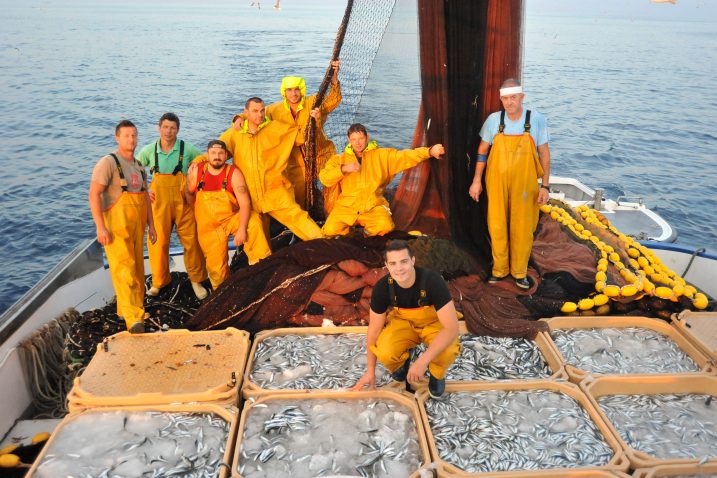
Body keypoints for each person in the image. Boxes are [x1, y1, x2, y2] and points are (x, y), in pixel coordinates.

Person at [468, 79, 551, 290]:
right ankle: (499, 270)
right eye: (505, 98)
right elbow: (482, 151)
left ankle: (519, 272)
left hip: (525, 185)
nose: (509, 102)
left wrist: (545, 186)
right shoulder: (494, 120)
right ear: (501, 99)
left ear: (522, 97)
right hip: (496, 181)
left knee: (522, 227)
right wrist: (477, 181)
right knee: (497, 224)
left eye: (513, 97)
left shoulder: (536, 120)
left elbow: (544, 153)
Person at [351, 240, 460, 398]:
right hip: (404, 323)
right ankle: (402, 364)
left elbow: (452, 328)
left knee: (448, 349)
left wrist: (422, 362)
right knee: (385, 350)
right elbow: (374, 329)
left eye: (404, 262)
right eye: (393, 263)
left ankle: (437, 374)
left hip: (433, 323)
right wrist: (370, 371)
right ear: (387, 266)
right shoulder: (382, 287)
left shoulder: (432, 281)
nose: (399, 268)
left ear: (413, 261)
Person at [234, 61, 342, 210]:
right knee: (298, 198)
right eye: (289, 90)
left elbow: (333, 100)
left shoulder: (313, 101)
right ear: (284, 92)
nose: (293, 94)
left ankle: (332, 219)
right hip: (295, 162)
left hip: (321, 154)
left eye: (297, 89)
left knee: (331, 185)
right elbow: (256, 113)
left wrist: (334, 80)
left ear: (302, 90)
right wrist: (239, 118)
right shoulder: (274, 110)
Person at [220, 97, 323, 249]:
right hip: (249, 198)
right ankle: (264, 266)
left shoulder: (276, 128)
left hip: (275, 192)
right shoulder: (235, 133)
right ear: (245, 112)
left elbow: (302, 137)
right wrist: (197, 163)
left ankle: (326, 245)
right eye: (255, 111)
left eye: (262, 110)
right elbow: (217, 152)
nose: (259, 115)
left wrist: (316, 121)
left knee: (300, 219)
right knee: (257, 237)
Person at [89, 120, 157, 334]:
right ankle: (133, 319)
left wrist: (152, 226)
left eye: (134, 135)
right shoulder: (108, 163)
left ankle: (131, 309)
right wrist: (100, 227)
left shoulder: (138, 166)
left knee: (137, 270)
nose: (132, 139)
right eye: (127, 135)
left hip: (137, 227)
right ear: (117, 138)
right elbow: (94, 194)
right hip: (116, 228)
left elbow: (145, 197)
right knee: (124, 270)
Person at [319, 123, 446, 237]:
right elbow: (325, 178)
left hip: (373, 205)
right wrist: (344, 168)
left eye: (361, 139)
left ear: (367, 138)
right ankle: (349, 233)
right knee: (329, 231)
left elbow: (406, 156)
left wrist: (429, 151)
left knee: (385, 227)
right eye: (354, 139)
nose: (358, 143)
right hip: (347, 207)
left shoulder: (382, 155)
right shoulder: (338, 159)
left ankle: (366, 235)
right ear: (349, 140)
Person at [136, 113, 208, 300]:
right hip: (159, 205)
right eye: (165, 127)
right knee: (157, 242)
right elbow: (133, 170)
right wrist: (143, 190)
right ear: (159, 128)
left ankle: (196, 279)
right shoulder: (148, 151)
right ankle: (159, 281)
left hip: (183, 203)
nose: (169, 131)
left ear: (178, 129)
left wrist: (193, 180)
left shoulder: (186, 149)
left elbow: (203, 162)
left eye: (173, 128)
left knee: (192, 242)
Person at [187, 140, 269, 289]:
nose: (216, 156)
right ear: (207, 155)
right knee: (217, 274)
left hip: (231, 219)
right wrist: (196, 211)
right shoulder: (197, 171)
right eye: (213, 153)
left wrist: (242, 229)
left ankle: (261, 268)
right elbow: (189, 193)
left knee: (254, 221)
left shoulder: (234, 173)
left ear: (226, 156)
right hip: (209, 230)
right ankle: (224, 293)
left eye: (220, 153)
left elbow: (245, 204)